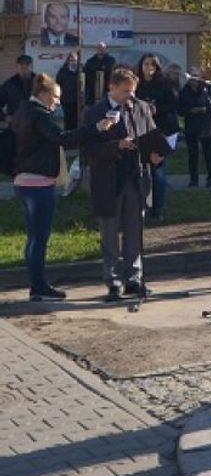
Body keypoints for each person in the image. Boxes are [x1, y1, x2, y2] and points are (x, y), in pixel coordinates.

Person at [9, 74, 112, 302]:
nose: (57, 102)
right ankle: (38, 287)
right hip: (38, 182)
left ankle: (37, 283)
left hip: (23, 180)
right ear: (43, 94)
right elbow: (62, 138)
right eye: (55, 97)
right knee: (39, 238)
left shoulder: (23, 111)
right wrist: (95, 128)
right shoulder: (39, 115)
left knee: (33, 237)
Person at [80, 68, 160, 300]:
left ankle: (134, 278)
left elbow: (152, 135)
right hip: (109, 180)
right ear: (112, 88)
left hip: (136, 178)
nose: (130, 96)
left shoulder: (141, 108)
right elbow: (88, 150)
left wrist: (156, 154)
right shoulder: (95, 112)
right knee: (110, 234)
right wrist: (117, 145)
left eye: (132, 91)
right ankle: (113, 281)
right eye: (125, 91)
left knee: (135, 232)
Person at [135, 55, 179, 220]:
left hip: (162, 130)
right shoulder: (137, 84)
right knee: (142, 173)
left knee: (158, 172)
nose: (149, 67)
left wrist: (157, 109)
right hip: (142, 132)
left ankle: (158, 209)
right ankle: (143, 208)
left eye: (152, 64)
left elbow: (174, 104)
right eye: (146, 64)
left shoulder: (164, 83)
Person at [178, 67, 211, 189]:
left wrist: (205, 109)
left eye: (196, 75)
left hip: (206, 125)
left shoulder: (208, 89)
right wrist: (190, 110)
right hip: (191, 125)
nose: (193, 78)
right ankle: (193, 180)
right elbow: (180, 110)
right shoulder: (184, 91)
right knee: (192, 154)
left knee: (209, 154)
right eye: (191, 75)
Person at [82, 43, 116, 110]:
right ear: (96, 49)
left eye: (103, 48)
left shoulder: (111, 60)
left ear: (106, 49)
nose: (101, 50)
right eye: (99, 48)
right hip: (92, 92)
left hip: (107, 90)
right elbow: (87, 74)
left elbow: (112, 72)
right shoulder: (90, 61)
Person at [57, 52, 82, 129]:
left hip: (78, 100)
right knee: (68, 119)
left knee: (77, 119)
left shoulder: (81, 71)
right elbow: (58, 83)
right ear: (68, 61)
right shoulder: (63, 71)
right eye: (71, 60)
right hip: (66, 99)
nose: (73, 62)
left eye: (75, 60)